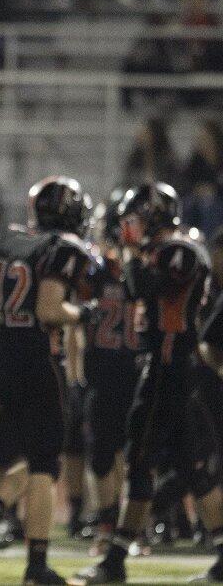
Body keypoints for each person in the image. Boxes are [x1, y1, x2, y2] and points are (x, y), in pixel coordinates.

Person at [73, 183, 223, 584]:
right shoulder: (170, 249)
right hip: (168, 366)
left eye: (135, 220)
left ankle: (115, 560)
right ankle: (118, 557)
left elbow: (143, 288)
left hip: (170, 367)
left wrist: (129, 253)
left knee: (143, 460)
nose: (128, 228)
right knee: (192, 468)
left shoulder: (179, 251)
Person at [0, 176, 94, 585]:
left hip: (5, 361)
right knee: (44, 465)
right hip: (40, 360)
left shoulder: (9, 242)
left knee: (34, 456)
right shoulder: (62, 249)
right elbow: (50, 309)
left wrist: (7, 330)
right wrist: (85, 313)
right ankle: (36, 566)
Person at [80, 189, 143, 556]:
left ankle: (130, 530)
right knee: (103, 453)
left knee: (137, 455)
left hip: (138, 369)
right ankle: (108, 526)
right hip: (103, 369)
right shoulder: (94, 268)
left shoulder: (149, 266)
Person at [120, 118, 179, 190]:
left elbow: (172, 184)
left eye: (146, 132)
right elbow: (127, 180)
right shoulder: (135, 157)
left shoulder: (167, 159)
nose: (140, 135)